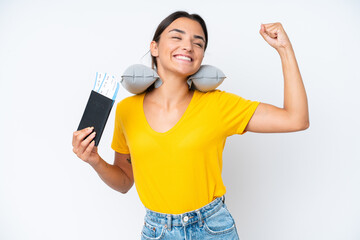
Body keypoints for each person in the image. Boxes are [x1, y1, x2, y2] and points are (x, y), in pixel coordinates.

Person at [72, 11, 309, 240]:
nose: (188, 46)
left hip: (213, 229)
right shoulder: (127, 110)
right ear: (154, 47)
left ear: (201, 57)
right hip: (157, 231)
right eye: (177, 37)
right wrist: (95, 160)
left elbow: (296, 119)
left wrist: (285, 50)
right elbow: (124, 182)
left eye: (198, 43)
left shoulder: (218, 104)